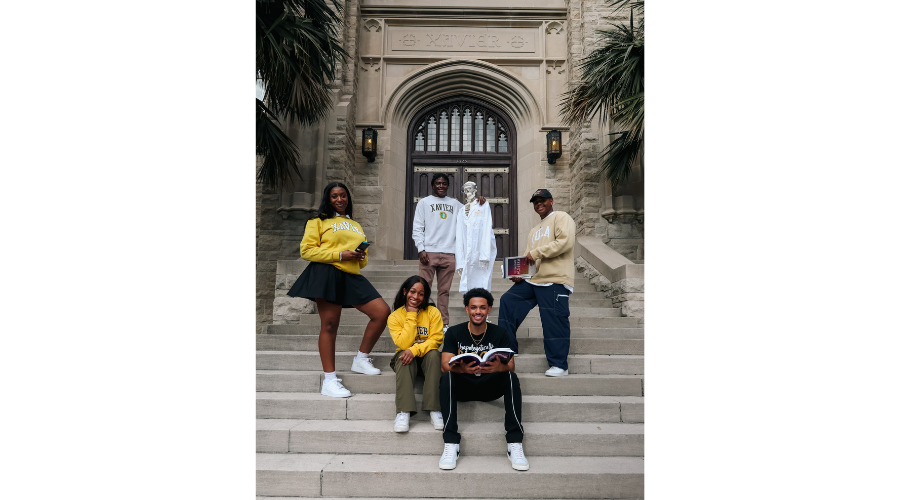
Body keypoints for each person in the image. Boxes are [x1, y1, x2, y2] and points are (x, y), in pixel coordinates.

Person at [287, 182, 391, 398]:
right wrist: (340, 255)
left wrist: (360, 256)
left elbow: (363, 262)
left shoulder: (356, 225)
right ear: (328, 198)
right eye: (334, 196)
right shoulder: (317, 222)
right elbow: (307, 251)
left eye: (343, 195)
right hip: (327, 272)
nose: (340, 199)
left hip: (351, 274)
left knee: (382, 312)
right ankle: (330, 380)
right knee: (330, 325)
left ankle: (361, 359)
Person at [438, 288, 529, 472]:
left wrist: (499, 368)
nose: (477, 311)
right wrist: (462, 369)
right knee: (447, 377)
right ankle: (451, 442)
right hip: (463, 386)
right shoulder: (454, 332)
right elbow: (444, 365)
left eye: (482, 307)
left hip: (489, 386)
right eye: (473, 307)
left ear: (488, 309)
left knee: (511, 377)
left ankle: (514, 442)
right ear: (467, 309)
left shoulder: (500, 333)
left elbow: (511, 366)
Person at [497, 189, 576, 377]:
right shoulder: (534, 231)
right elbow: (529, 258)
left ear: (551, 201)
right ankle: (509, 348)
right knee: (508, 301)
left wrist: (536, 253)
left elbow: (565, 242)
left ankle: (559, 365)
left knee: (553, 321)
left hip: (555, 279)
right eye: (535, 201)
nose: (538, 204)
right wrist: (520, 274)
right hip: (534, 280)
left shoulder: (561, 217)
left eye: (542, 200)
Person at [412, 173, 484, 329]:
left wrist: (479, 203)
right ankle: (422, 321)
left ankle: (443, 323)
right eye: (438, 183)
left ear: (448, 186)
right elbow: (417, 227)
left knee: (444, 291)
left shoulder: (455, 204)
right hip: (428, 253)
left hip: (449, 253)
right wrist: (421, 249)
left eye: (444, 183)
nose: (441, 186)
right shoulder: (424, 203)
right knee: (423, 289)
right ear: (432, 185)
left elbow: (470, 213)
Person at [387, 276, 445, 433]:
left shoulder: (432, 312)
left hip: (428, 361)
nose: (416, 297)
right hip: (405, 362)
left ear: (425, 296)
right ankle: (403, 412)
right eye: (412, 292)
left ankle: (434, 409)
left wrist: (414, 350)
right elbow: (403, 344)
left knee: (434, 354)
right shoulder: (395, 317)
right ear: (405, 291)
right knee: (403, 356)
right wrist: (411, 315)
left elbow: (436, 340)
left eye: (421, 294)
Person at [455, 181, 497, 293]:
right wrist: (460, 261)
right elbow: (459, 235)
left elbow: (487, 228)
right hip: (467, 251)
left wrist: (485, 255)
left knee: (482, 281)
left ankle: (482, 301)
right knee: (468, 283)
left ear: (475, 190)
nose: (468, 192)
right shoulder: (461, 211)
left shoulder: (483, 205)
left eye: (470, 189)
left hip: (481, 250)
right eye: (465, 190)